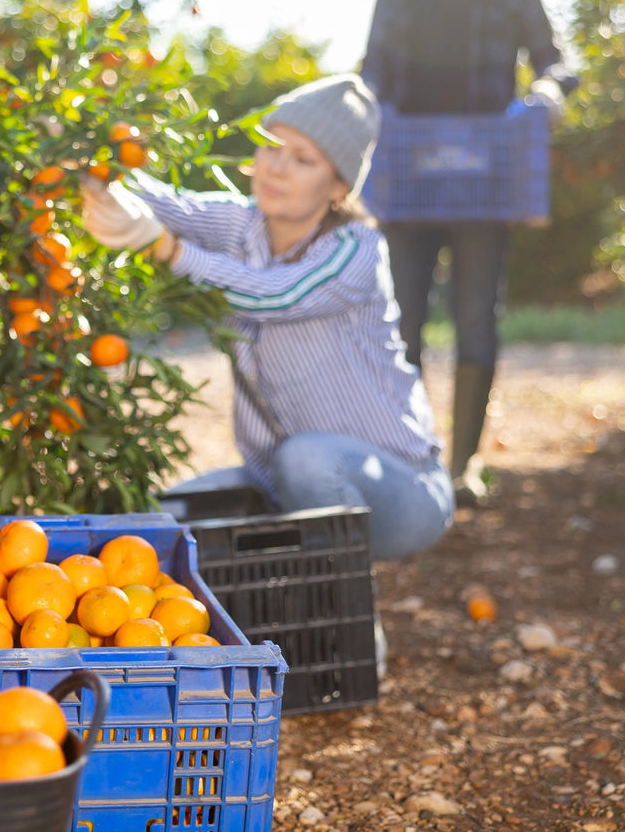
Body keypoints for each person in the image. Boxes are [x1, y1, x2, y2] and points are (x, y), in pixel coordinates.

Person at [80, 73, 453, 564]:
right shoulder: (240, 225)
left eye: (303, 159)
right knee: (161, 521)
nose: (277, 168)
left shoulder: (356, 249)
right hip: (281, 486)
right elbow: (169, 203)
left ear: (338, 185)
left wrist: (167, 248)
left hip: (401, 491)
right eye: (271, 146)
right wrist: (88, 167)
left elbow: (276, 295)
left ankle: (348, 620)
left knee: (307, 459)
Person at [360, 0, 578, 504]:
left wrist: (548, 87)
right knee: (404, 323)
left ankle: (463, 466)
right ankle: (417, 458)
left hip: (487, 177)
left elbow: (555, 57)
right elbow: (370, 73)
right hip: (411, 179)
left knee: (477, 316)